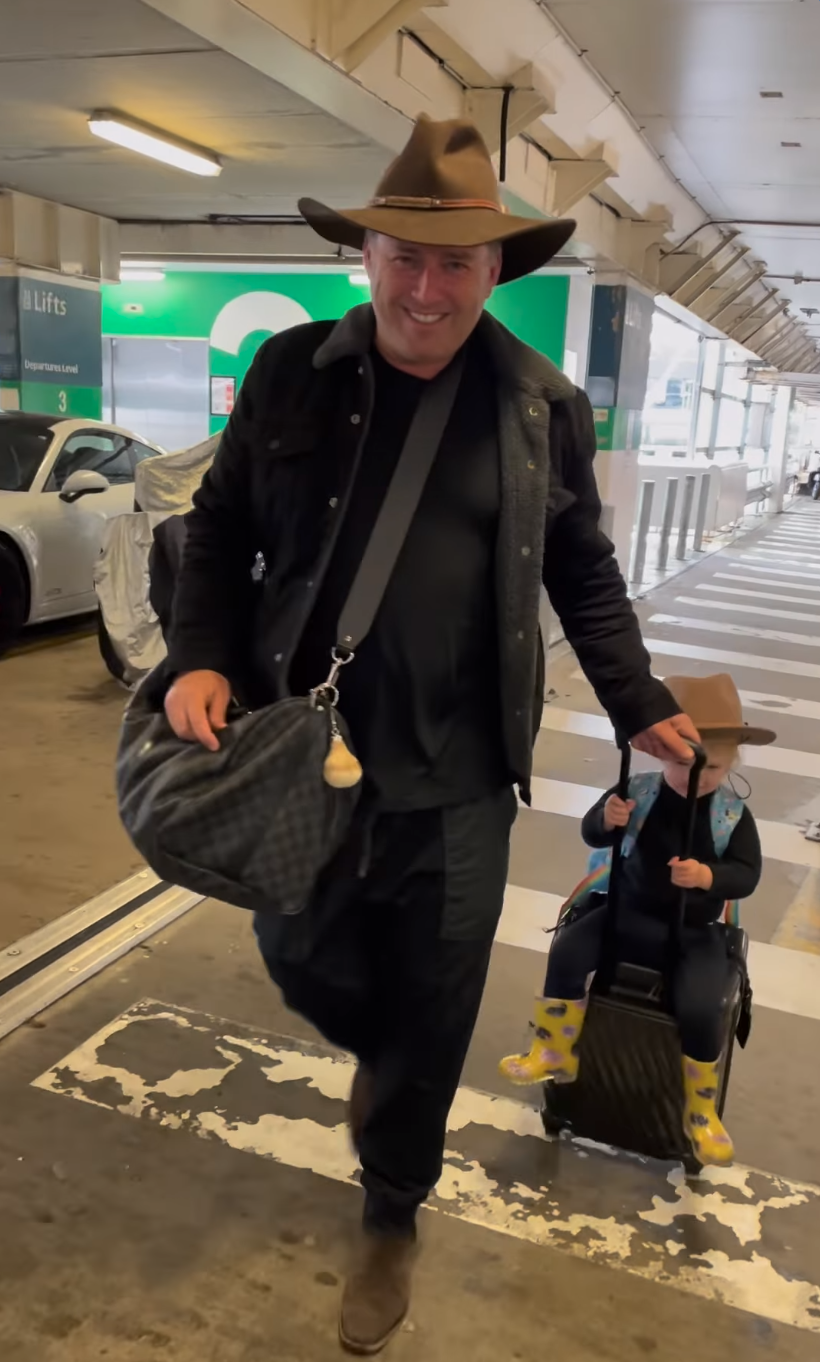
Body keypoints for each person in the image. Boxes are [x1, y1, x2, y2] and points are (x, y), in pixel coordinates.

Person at [162, 114, 699, 1354]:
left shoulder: (537, 405)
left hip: (459, 774)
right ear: (367, 257)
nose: (425, 284)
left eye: (454, 262)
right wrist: (198, 655)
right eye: (402, 255)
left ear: (495, 271)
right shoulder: (292, 372)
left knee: (440, 998)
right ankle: (382, 1059)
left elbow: (583, 570)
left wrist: (638, 697)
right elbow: (222, 519)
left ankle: (393, 1207)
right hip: (304, 755)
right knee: (303, 956)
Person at [501, 673, 771, 1167]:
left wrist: (708, 876)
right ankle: (555, 1051)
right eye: (682, 761)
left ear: (732, 761)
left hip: (695, 931)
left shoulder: (731, 815)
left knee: (704, 1005)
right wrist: (607, 819)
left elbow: (747, 874)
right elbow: (592, 833)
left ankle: (699, 1112)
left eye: (710, 767)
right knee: (567, 953)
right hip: (625, 910)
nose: (696, 776)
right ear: (660, 753)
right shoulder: (639, 791)